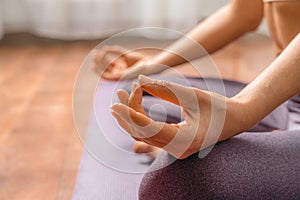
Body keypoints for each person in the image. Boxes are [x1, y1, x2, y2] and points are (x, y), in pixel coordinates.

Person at [97, 1, 300, 198]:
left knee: (173, 182)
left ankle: (272, 144)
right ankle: (269, 142)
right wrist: (153, 63)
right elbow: (244, 14)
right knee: (138, 91)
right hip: (285, 102)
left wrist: (242, 111)